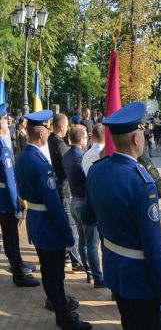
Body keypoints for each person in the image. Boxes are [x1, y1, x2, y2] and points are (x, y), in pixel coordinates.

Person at [83, 102, 161, 329]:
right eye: (143, 133)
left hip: (115, 270)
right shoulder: (142, 184)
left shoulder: (97, 169)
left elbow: (88, 217)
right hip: (141, 281)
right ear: (136, 139)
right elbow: (153, 246)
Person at [15, 110, 91, 330]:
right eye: (47, 128)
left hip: (37, 222)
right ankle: (64, 316)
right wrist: (68, 236)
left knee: (48, 271)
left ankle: (58, 304)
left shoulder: (23, 158)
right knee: (55, 274)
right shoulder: (41, 164)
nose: (49, 131)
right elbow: (55, 207)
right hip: (49, 225)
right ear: (41, 133)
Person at [0, 103, 40, 287]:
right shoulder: (4, 150)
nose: (7, 123)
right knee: (11, 237)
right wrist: (16, 205)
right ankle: (18, 273)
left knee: (10, 237)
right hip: (5, 201)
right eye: (4, 120)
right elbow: (9, 180)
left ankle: (18, 265)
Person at [62, 125, 104, 288]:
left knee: (82, 240)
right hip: (83, 201)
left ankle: (88, 271)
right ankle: (97, 277)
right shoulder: (82, 156)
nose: (87, 140)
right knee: (92, 243)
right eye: (86, 137)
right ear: (81, 140)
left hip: (74, 201)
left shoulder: (67, 155)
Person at [48, 113, 83, 272]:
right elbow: (68, 169)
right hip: (64, 188)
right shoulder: (61, 145)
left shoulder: (49, 140)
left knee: (62, 223)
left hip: (55, 187)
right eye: (67, 126)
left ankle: (66, 256)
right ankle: (75, 260)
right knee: (71, 227)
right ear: (62, 127)